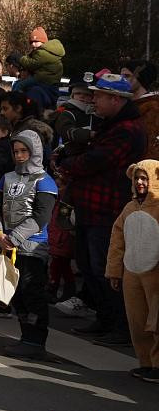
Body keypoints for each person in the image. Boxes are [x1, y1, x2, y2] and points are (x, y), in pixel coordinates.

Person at [56, 73, 146, 346]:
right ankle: (105, 319)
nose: (94, 101)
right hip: (90, 206)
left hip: (108, 208)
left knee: (106, 269)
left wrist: (68, 163)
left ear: (116, 99)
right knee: (89, 264)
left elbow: (95, 160)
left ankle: (121, 326)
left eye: (99, 96)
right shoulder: (109, 124)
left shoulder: (127, 129)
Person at [0, 130, 58, 359]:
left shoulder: (45, 181)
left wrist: (15, 237)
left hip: (33, 247)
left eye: (24, 151)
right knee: (17, 294)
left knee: (33, 294)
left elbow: (41, 217)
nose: (19, 155)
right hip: (8, 245)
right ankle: (26, 338)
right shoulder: (7, 178)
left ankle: (36, 342)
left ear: (35, 152)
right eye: (16, 151)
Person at [106, 160, 159, 382]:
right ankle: (146, 362)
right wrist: (115, 271)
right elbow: (117, 241)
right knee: (137, 320)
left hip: (154, 274)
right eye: (137, 178)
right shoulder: (129, 208)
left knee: (156, 321)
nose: (139, 182)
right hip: (132, 271)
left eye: (145, 178)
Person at [15, 27, 65, 109]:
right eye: (31, 42)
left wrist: (20, 58)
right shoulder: (51, 52)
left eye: (36, 41)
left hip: (42, 78)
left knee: (20, 85)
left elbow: (31, 64)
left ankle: (16, 102)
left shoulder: (42, 53)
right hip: (52, 80)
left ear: (43, 42)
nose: (33, 44)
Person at [121, 60, 159, 161]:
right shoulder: (124, 105)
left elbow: (151, 146)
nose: (121, 80)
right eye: (121, 76)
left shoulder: (153, 108)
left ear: (141, 78)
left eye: (127, 76)